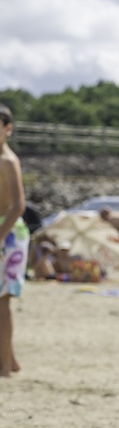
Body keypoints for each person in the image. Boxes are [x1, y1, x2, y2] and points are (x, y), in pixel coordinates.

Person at [0, 104, 28, 378]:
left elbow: (18, 205)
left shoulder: (8, 161)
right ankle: (11, 359)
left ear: (8, 129)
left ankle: (5, 368)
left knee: (3, 301)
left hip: (9, 234)